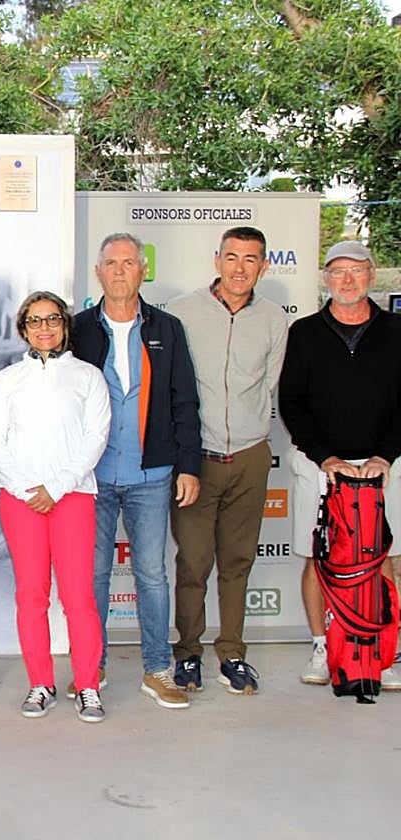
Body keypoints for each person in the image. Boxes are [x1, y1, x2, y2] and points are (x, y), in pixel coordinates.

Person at [72, 232, 201, 711]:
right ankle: (91, 668)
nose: (121, 271)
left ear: (143, 270)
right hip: (93, 474)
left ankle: (157, 668)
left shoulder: (167, 328)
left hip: (152, 472)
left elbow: (184, 400)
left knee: (151, 574)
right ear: (98, 272)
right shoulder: (78, 329)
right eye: (112, 263)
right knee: (94, 575)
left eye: (130, 262)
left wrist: (188, 466)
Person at [165, 227, 287, 696]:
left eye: (250, 259)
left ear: (263, 266)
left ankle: (233, 653)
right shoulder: (182, 311)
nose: (240, 268)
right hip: (197, 459)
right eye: (231, 257)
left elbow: (268, 383)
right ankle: (188, 654)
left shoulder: (274, 319)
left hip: (252, 456)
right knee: (194, 562)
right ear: (216, 260)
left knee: (238, 561)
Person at [279, 240, 401, 690]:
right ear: (325, 279)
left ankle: (383, 653)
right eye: (337, 271)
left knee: (386, 557)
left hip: (386, 464)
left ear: (371, 274)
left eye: (356, 270)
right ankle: (320, 646)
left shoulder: (396, 330)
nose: (347, 280)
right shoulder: (305, 331)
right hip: (319, 464)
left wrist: (383, 455)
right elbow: (291, 401)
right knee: (317, 557)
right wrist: (324, 455)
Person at [0, 291, 110, 722]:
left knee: (79, 598)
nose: (44, 328)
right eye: (34, 321)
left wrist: (55, 488)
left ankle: (89, 686)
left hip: (72, 497)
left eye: (52, 319)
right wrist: (25, 488)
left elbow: (96, 437)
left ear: (64, 325)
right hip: (19, 500)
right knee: (31, 596)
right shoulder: (7, 379)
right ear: (23, 329)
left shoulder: (88, 376)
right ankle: (40, 683)